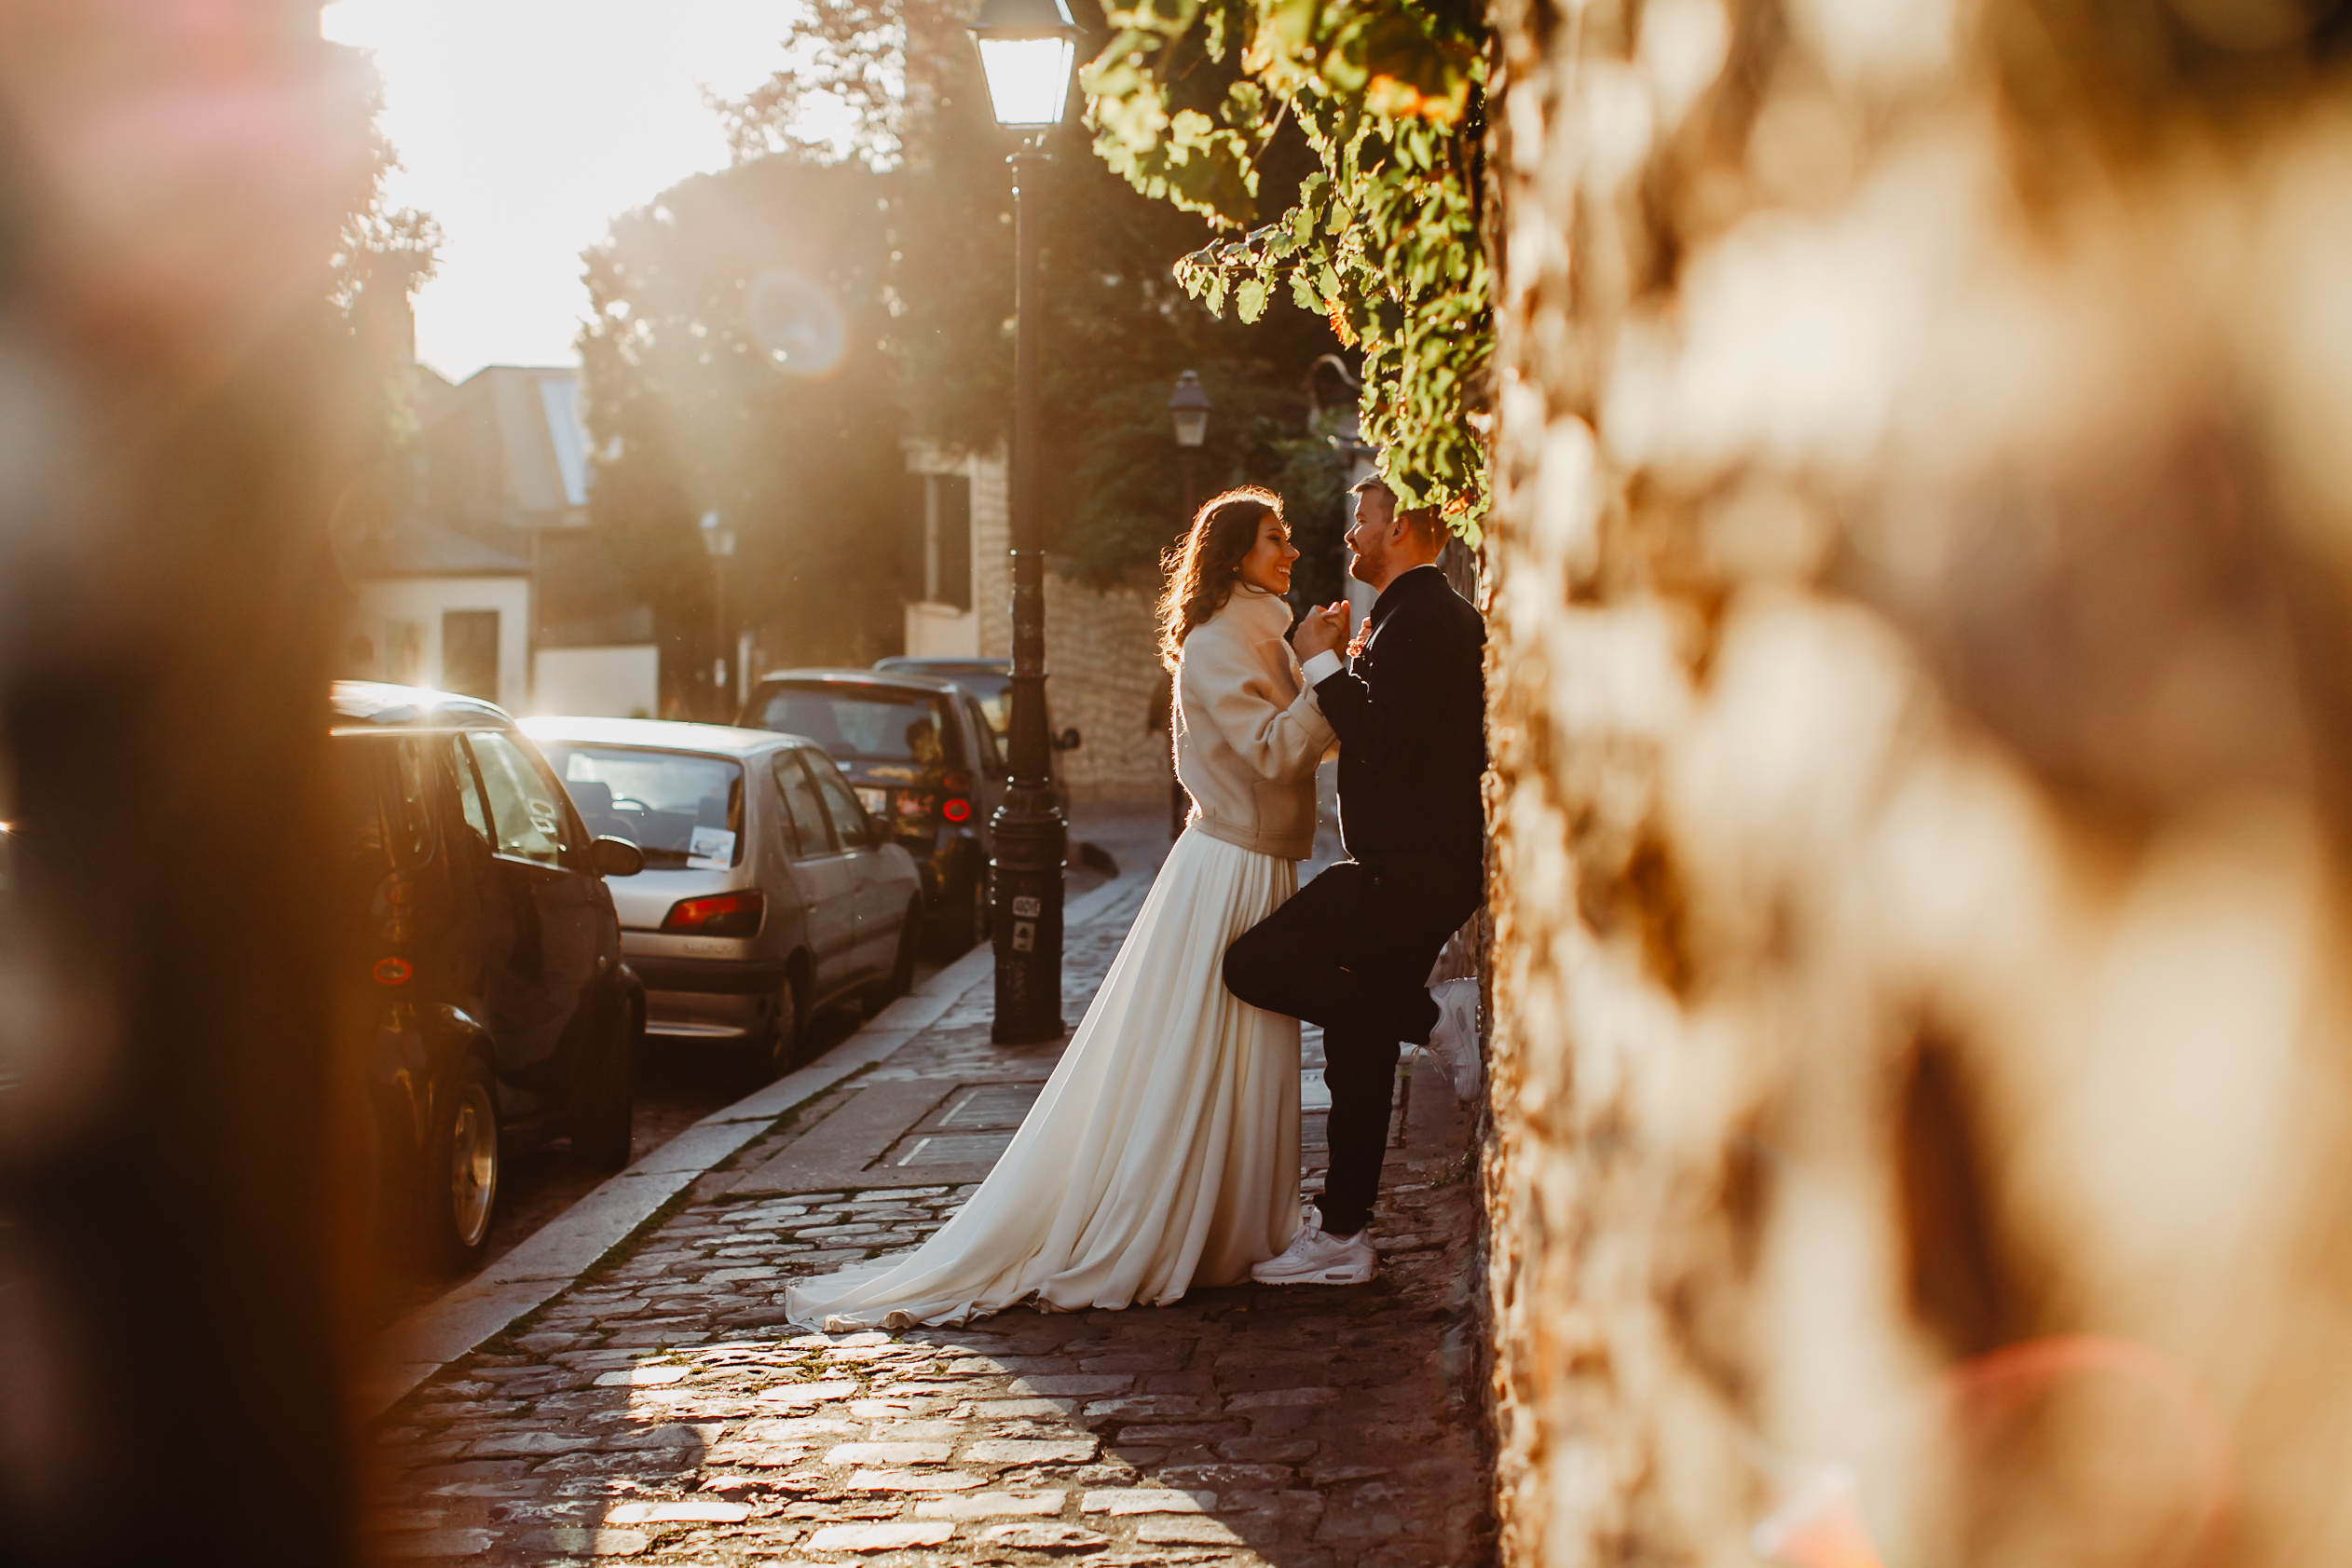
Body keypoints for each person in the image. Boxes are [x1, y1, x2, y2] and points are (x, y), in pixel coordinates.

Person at [785, 486, 1334, 1329]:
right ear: (1231, 554)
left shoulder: (1262, 629)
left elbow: (1300, 732)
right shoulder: (1222, 642)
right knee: (1206, 1046)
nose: (1290, 550)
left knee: (1242, 1047)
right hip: (1232, 867)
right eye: (1273, 539)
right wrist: (1326, 673)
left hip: (1261, 860)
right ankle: (1180, 1221)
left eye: (1288, 538)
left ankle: (1237, 1219)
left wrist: (1321, 664)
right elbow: (1273, 752)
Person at [1223, 476, 1486, 1287]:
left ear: (1401, 525)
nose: (1351, 536)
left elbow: (1386, 742)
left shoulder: (1427, 617)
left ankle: (1436, 1013)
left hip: (1410, 869)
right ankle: (1342, 1236)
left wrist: (1323, 662)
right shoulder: (1406, 615)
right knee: (1355, 1044)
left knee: (1253, 966)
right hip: (1408, 864)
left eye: (1363, 520)